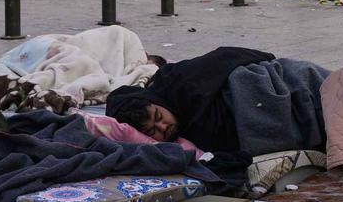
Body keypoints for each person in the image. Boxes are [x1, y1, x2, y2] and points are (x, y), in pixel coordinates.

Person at [106, 46, 329, 156]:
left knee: (339, 94)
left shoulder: (180, 81)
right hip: (290, 112)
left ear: (157, 102)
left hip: (286, 83)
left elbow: (225, 55)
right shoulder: (185, 141)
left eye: (158, 117)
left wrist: (266, 64)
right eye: (153, 131)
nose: (163, 127)